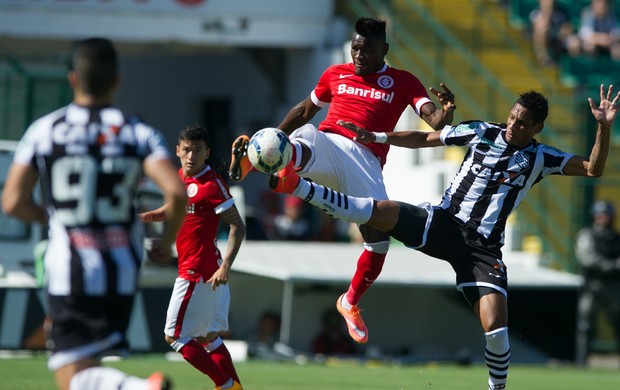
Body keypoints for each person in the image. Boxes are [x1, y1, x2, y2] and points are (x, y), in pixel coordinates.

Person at [269, 84, 618, 389]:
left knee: (496, 326)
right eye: (512, 116)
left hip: (482, 251)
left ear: (537, 127)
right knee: (380, 211)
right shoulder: (481, 131)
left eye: (523, 122)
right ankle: (297, 185)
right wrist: (376, 137)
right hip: (443, 222)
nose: (513, 124)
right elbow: (425, 138)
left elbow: (592, 168)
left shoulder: (541, 157)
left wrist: (602, 128)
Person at [229, 16, 456, 344]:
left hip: (365, 160)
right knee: (303, 140)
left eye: (366, 49)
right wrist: (276, 134)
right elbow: (305, 110)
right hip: (329, 142)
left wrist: (444, 115)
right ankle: (261, 157)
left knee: (378, 240)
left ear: (384, 50)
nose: (358, 55)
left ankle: (349, 302)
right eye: (354, 48)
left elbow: (432, 119)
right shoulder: (335, 73)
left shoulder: (404, 81)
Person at [1, 37, 187, 390]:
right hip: (122, 268)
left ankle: (141, 388)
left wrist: (52, 218)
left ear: (73, 79)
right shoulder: (137, 132)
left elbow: (12, 202)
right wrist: (164, 242)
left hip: (70, 269)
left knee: (73, 379)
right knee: (86, 373)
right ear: (116, 81)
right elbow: (176, 192)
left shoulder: (46, 131)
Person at [140, 125, 246, 390]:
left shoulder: (212, 184)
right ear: (178, 151)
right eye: (187, 149)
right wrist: (149, 217)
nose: (191, 156)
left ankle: (225, 384)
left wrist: (227, 267)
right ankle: (235, 387)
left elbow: (238, 225)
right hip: (205, 269)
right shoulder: (179, 179)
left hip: (198, 271)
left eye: (197, 150)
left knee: (173, 336)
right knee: (208, 337)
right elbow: (179, 207)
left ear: (207, 153)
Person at [575, 200, 620, 366]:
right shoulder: (587, 235)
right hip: (592, 285)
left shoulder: (616, 238)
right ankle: (581, 362)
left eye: (606, 215)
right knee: (585, 325)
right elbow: (587, 257)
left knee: (617, 323)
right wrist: (610, 265)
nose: (604, 219)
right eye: (600, 215)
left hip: (614, 287)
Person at [529, 0, 575, 65]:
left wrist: (563, 31)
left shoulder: (561, 12)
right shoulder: (536, 13)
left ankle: (571, 65)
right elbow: (539, 26)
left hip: (560, 36)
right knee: (541, 31)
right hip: (547, 37)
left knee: (573, 42)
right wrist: (547, 13)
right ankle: (543, 57)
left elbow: (568, 27)